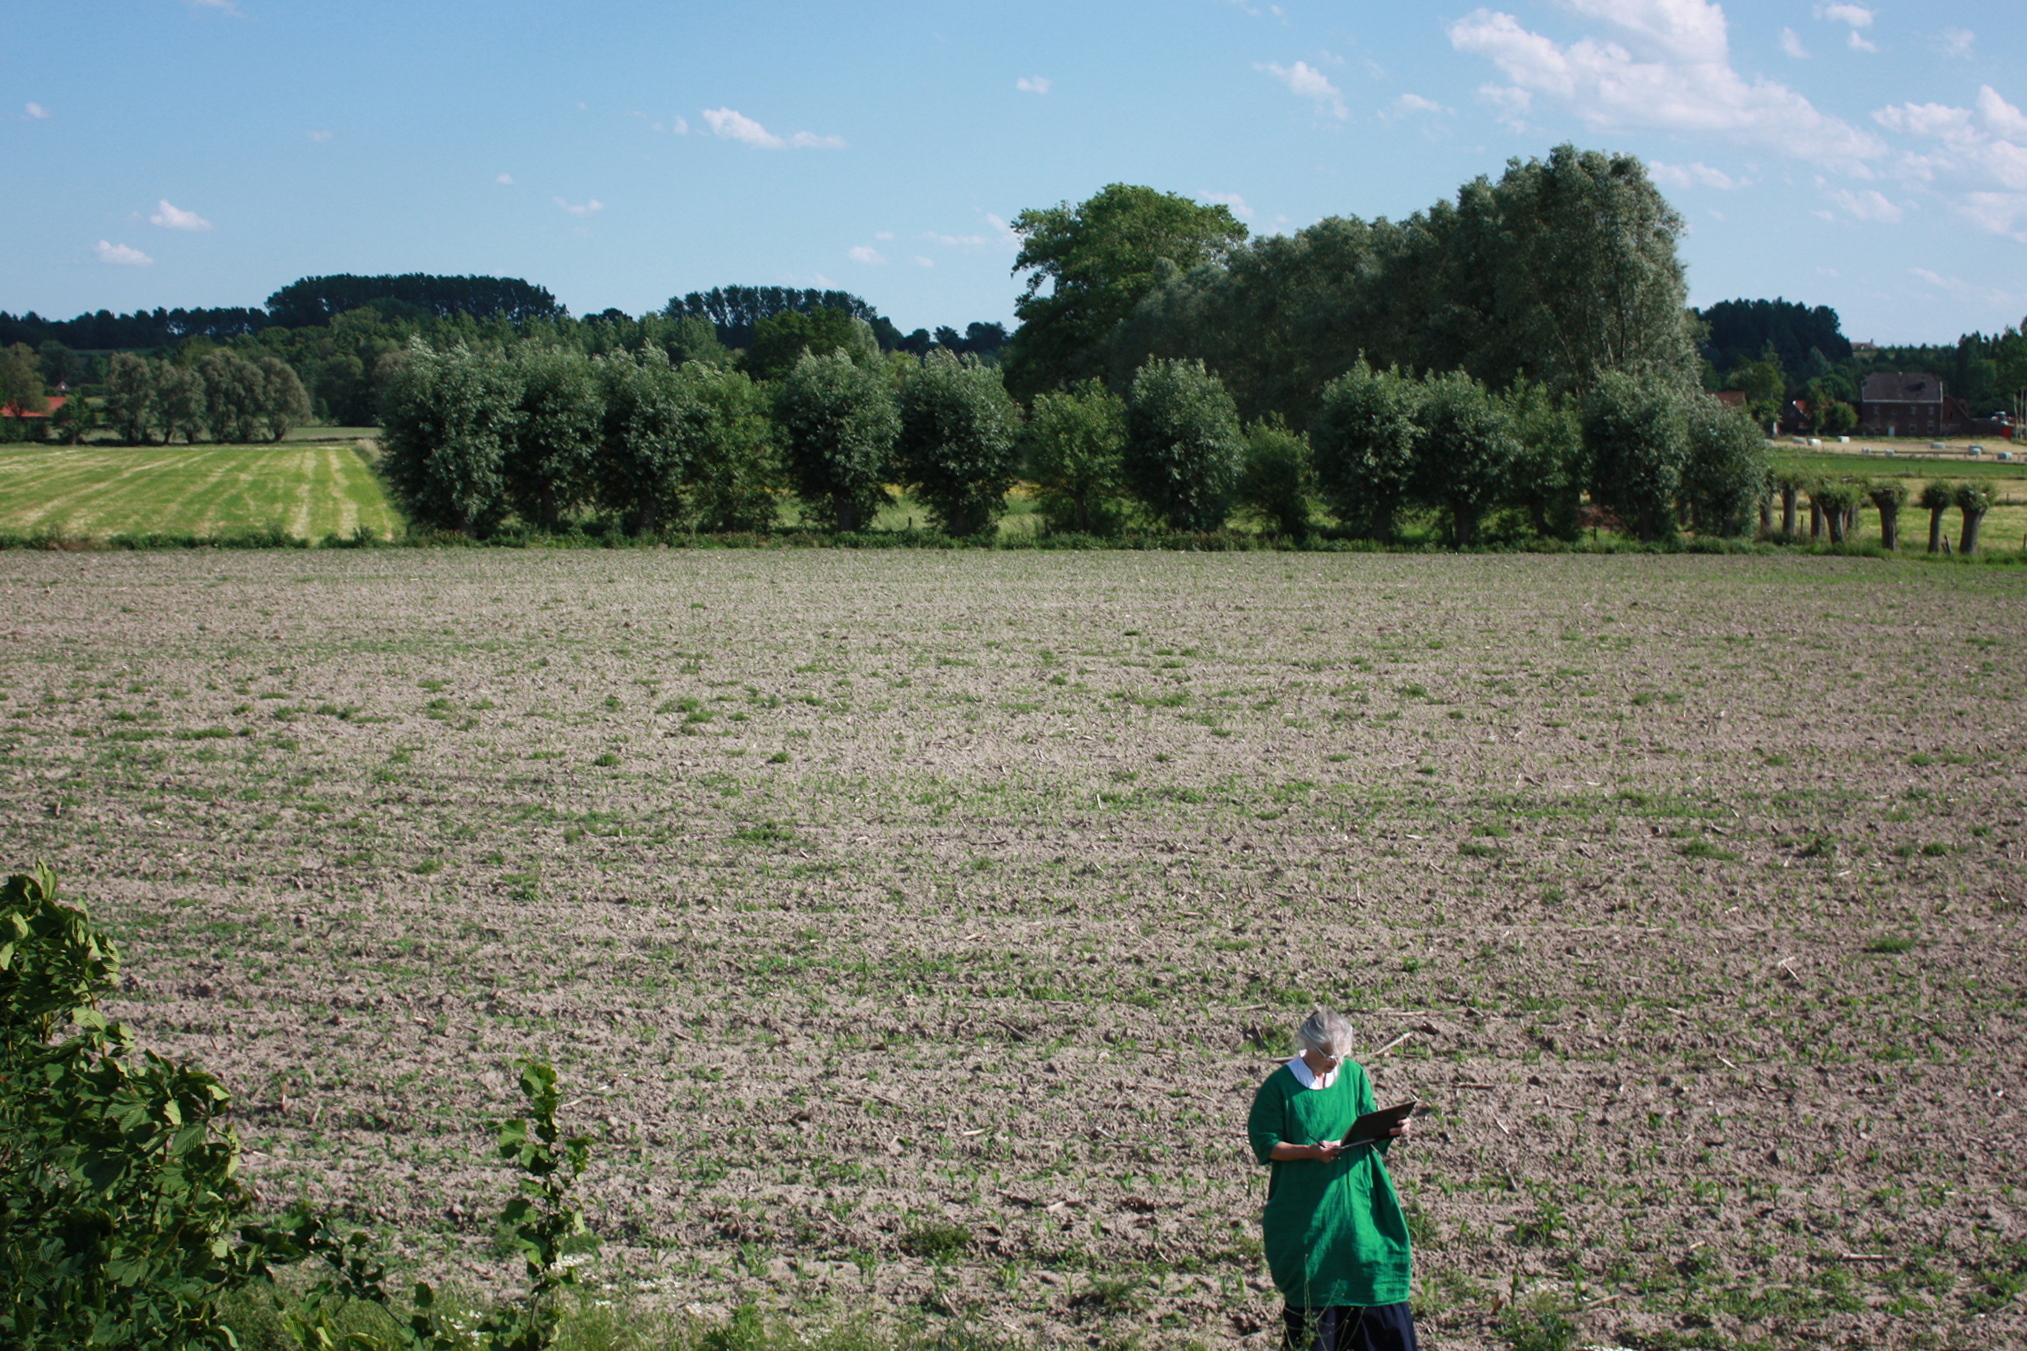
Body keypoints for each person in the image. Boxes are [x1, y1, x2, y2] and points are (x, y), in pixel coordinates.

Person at [1245, 1009, 1418, 1351]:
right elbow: (1266, 1143)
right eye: (1328, 1055)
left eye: (1341, 1055)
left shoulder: (1353, 1075)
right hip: (1308, 1208)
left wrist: (1394, 1128)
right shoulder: (1279, 1087)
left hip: (1357, 1202)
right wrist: (1310, 1152)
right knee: (1318, 1289)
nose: (1335, 1062)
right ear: (1306, 1045)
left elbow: (1370, 1126)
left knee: (1373, 1270)